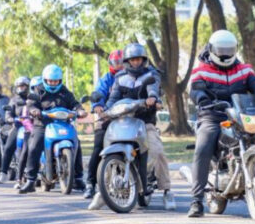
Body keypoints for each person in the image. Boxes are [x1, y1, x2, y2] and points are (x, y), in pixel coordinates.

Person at [187, 30, 255, 217]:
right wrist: (202, 98)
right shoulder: (201, 70)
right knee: (203, 147)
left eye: (229, 49)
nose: (225, 53)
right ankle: (196, 200)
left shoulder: (244, 69)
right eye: (221, 49)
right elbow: (195, 89)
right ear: (211, 49)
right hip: (213, 116)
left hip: (240, 115)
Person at [100, 43, 176, 210]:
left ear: (144, 60)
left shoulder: (151, 74)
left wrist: (152, 99)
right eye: (133, 60)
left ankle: (167, 190)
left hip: (145, 122)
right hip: (123, 121)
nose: (136, 63)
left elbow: (153, 89)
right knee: (105, 145)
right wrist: (105, 110)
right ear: (127, 61)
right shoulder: (120, 78)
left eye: (139, 59)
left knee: (157, 151)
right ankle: (103, 189)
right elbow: (113, 98)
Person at [19, 64, 88, 194]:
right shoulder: (38, 91)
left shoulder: (64, 91)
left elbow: (74, 103)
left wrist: (80, 110)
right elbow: (31, 104)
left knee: (77, 144)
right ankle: (30, 180)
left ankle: (78, 178)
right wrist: (34, 110)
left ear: (60, 80)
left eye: (55, 81)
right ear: (45, 80)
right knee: (34, 146)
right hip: (43, 124)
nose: (53, 83)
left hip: (63, 123)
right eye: (50, 81)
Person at [85, 49, 124, 204]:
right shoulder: (106, 79)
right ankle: (90, 183)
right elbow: (98, 93)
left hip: (128, 118)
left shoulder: (131, 77)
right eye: (116, 63)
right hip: (108, 118)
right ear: (110, 64)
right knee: (98, 147)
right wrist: (98, 106)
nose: (119, 66)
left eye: (122, 62)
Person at [0, 76, 30, 184]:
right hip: (18, 126)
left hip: (31, 127)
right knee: (8, 147)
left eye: (24, 86)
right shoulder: (14, 100)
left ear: (28, 87)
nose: (21, 88)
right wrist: (10, 118)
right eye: (19, 86)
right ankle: (3, 173)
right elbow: (8, 112)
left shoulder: (33, 98)